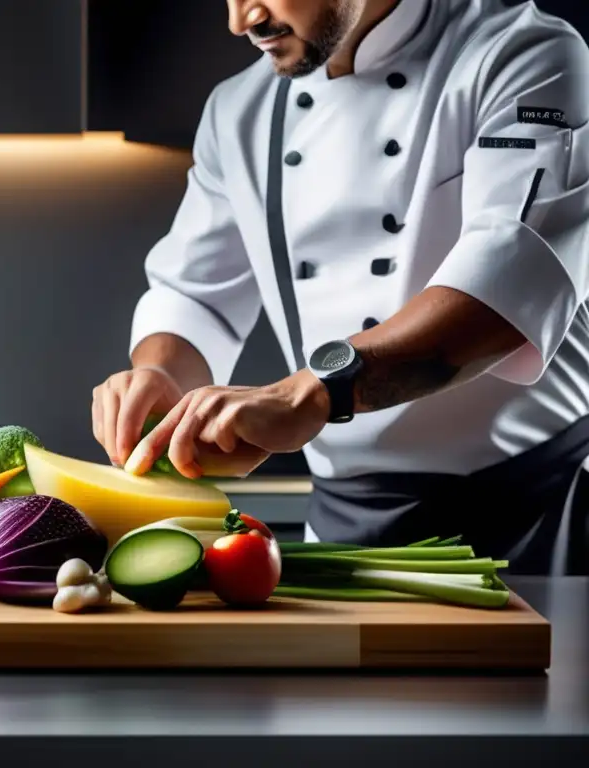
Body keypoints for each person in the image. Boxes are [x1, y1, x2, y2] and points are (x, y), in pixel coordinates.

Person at [91, 0, 589, 575]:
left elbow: (505, 288)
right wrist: (162, 379)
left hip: (534, 516)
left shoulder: (524, 56)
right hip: (341, 528)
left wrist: (316, 392)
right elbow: (194, 294)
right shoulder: (239, 110)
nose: (241, 19)